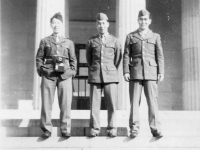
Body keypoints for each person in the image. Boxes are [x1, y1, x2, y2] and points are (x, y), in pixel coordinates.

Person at [123, 10, 164, 138]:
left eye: (146, 19)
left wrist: (161, 71)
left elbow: (160, 55)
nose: (143, 22)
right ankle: (134, 128)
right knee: (134, 102)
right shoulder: (130, 36)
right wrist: (126, 71)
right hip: (135, 72)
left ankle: (155, 128)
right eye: (141, 19)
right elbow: (126, 55)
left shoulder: (155, 36)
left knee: (153, 102)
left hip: (151, 73)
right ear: (138, 20)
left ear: (149, 21)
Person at [36, 12, 77, 138]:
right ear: (50, 25)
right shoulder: (45, 41)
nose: (56, 25)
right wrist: (42, 71)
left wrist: (71, 73)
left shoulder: (69, 42)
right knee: (47, 103)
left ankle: (65, 129)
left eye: (58, 23)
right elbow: (39, 59)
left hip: (64, 76)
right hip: (49, 75)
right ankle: (47, 129)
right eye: (54, 23)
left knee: (65, 103)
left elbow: (73, 61)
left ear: (62, 25)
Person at [86, 13, 122, 137]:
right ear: (96, 25)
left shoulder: (115, 41)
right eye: (99, 23)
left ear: (108, 24)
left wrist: (110, 69)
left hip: (110, 75)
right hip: (95, 75)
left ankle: (112, 128)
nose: (101, 26)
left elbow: (117, 59)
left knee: (111, 103)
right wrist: (96, 69)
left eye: (103, 23)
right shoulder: (91, 41)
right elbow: (89, 60)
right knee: (94, 104)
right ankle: (95, 129)